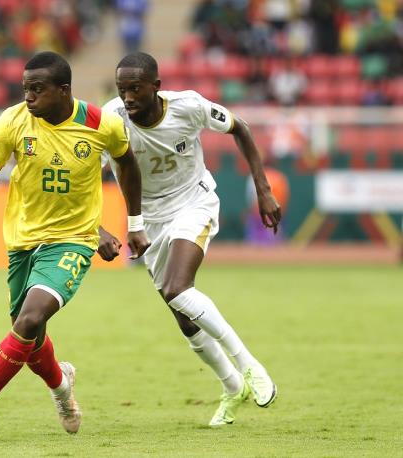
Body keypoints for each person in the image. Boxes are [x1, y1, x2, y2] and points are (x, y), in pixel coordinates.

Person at [0, 51, 150, 441]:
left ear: (63, 90)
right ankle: (62, 386)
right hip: (23, 240)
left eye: (37, 89)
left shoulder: (101, 124)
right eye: (25, 88)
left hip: (74, 241)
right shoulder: (12, 121)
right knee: (28, 335)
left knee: (28, 320)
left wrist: (132, 225)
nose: (29, 97)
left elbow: (127, 164)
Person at [98, 52, 281, 427]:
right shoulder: (110, 120)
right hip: (149, 220)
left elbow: (241, 128)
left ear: (156, 87)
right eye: (121, 89)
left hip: (193, 202)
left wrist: (263, 189)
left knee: (178, 288)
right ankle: (232, 387)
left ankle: (249, 366)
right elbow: (84, 174)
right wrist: (96, 226)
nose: (128, 97)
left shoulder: (189, 107)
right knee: (183, 317)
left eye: (135, 88)